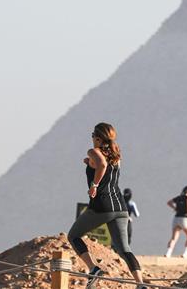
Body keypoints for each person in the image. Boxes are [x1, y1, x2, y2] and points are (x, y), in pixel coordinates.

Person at [67, 123, 147, 289]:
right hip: (121, 208)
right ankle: (140, 284)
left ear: (97, 137)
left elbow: (102, 165)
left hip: (102, 206)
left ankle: (93, 268)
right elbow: (104, 165)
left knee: (73, 236)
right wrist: (89, 163)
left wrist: (94, 185)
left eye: (92, 136)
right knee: (124, 249)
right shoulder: (116, 154)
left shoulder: (94, 152)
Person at [165, 186, 187, 258]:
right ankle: (185, 253)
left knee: (174, 238)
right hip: (185, 219)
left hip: (176, 218)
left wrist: (175, 208)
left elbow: (169, 202)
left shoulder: (179, 197)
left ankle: (168, 253)